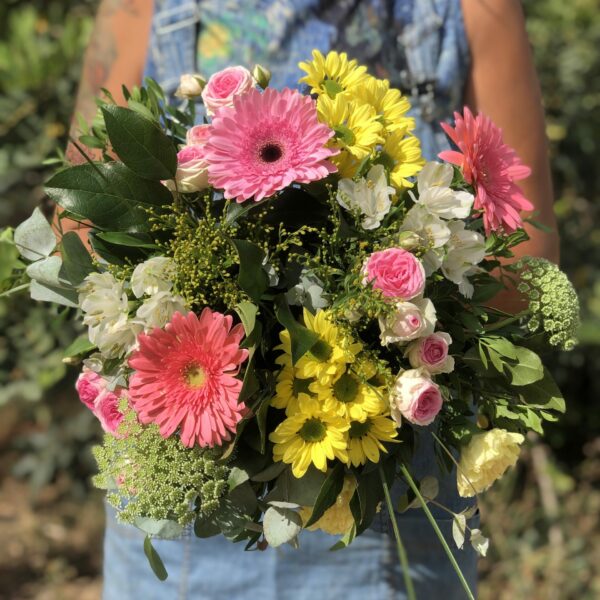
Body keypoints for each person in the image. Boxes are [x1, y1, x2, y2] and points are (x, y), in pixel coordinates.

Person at [65, 1, 559, 598]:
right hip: (187, 502)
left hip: (385, 506)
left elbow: (520, 271)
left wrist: (372, 317)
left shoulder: (470, 10)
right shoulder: (143, 6)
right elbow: (83, 221)